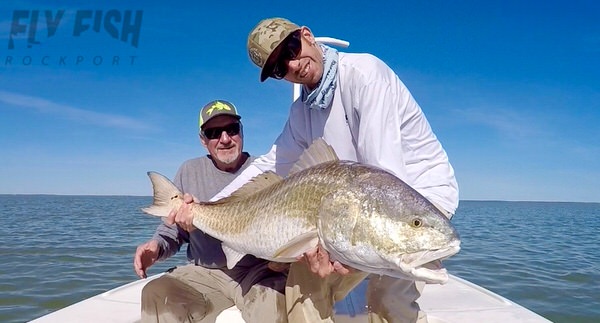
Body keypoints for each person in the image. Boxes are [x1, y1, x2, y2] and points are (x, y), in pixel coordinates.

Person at [242, 17, 458, 323]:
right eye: (279, 67)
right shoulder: (301, 110)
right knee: (303, 285)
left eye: (292, 48)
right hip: (359, 205)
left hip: (416, 205)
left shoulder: (364, 74)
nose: (293, 65)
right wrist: (200, 204)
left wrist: (347, 255)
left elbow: (383, 175)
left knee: (388, 296)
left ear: (307, 35)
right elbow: (272, 162)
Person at [133, 100, 288, 323]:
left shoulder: (266, 172)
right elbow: (174, 230)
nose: (225, 139)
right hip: (205, 272)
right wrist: (156, 247)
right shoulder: (190, 170)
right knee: (156, 293)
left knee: (273, 307)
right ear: (203, 140)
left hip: (257, 272)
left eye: (231, 129)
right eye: (214, 132)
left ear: (241, 131)